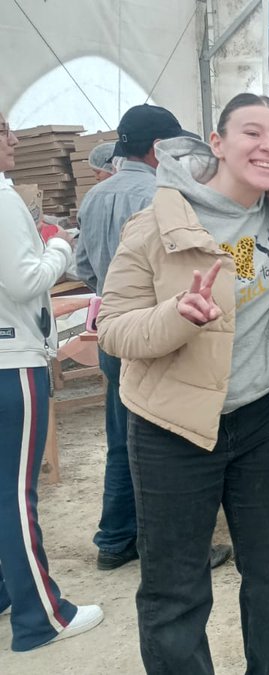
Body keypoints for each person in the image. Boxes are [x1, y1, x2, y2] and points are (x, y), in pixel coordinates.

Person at [97, 93, 269, 673]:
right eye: (252, 133)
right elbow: (111, 328)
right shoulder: (156, 223)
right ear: (216, 143)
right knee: (176, 589)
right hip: (172, 428)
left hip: (259, 418)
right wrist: (176, 316)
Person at [76, 103, 233, 573]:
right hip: (169, 330)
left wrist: (116, 295)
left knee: (124, 440)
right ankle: (169, 545)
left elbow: (83, 267)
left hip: (116, 331)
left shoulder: (95, 196)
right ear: (160, 149)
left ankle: (114, 537)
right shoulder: (163, 197)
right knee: (171, 446)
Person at [0, 109, 105, 652]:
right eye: (3, 129)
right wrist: (58, 243)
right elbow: (25, 281)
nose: (15, 138)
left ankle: (6, 591)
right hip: (11, 360)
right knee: (16, 494)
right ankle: (42, 618)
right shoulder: (3, 200)